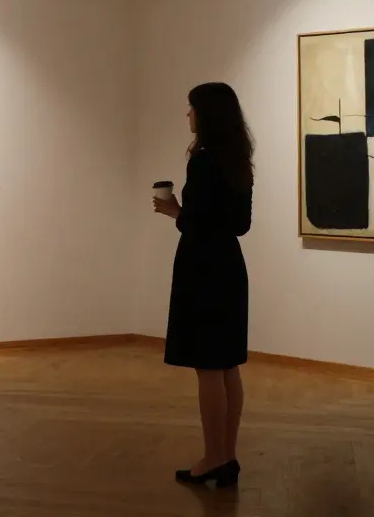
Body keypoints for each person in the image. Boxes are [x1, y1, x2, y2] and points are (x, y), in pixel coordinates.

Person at [152, 82, 253, 488]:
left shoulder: (205, 161)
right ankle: (227, 455)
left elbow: (199, 223)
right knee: (227, 365)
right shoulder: (238, 159)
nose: (187, 115)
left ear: (205, 115)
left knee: (208, 367)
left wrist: (177, 211)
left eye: (191, 108)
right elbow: (239, 225)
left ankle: (212, 457)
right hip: (228, 265)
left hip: (202, 267)